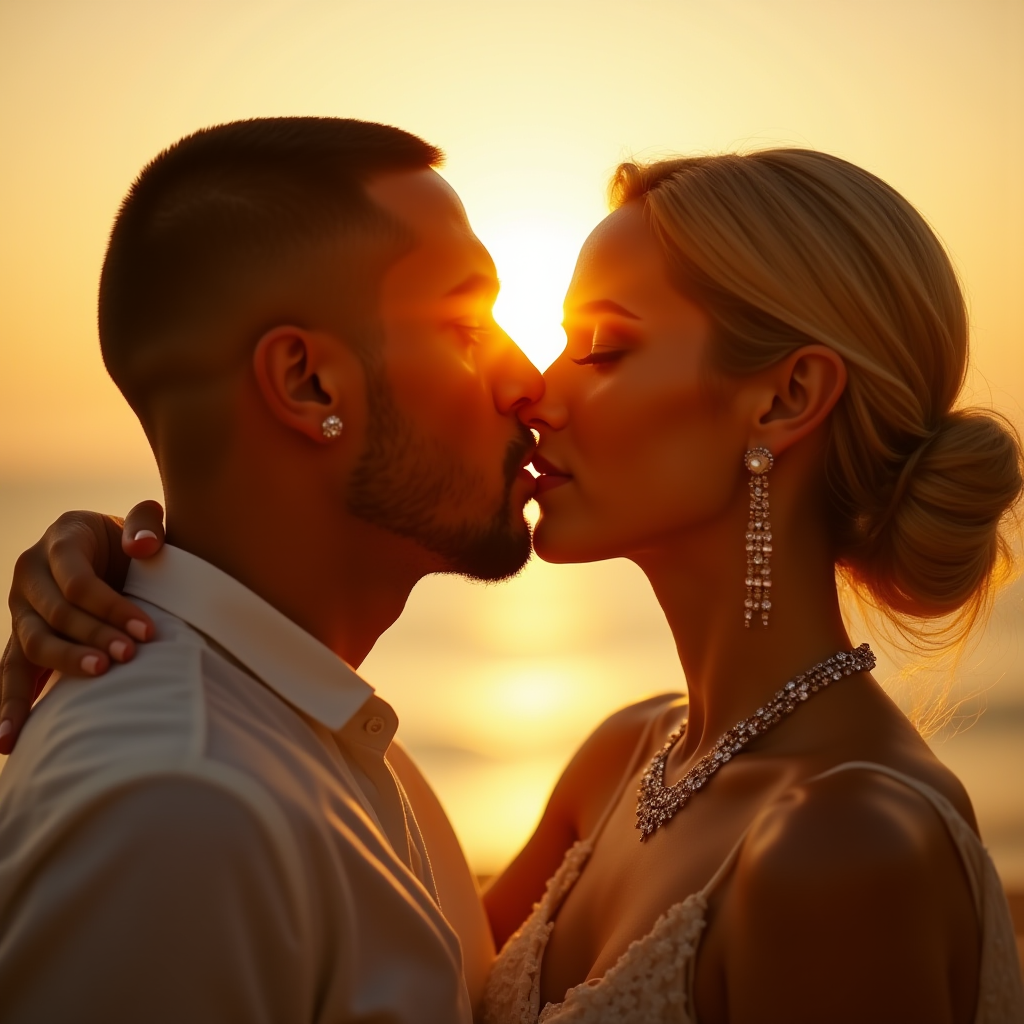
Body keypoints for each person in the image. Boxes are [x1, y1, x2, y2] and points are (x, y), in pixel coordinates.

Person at [6, 149, 1024, 1022]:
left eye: (605, 348)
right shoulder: (623, 762)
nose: (540, 384)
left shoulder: (846, 852)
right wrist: (163, 565)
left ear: (785, 397)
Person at [0, 116, 546, 1023]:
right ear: (307, 384)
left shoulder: (329, 745)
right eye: (465, 324)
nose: (528, 379)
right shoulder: (180, 807)